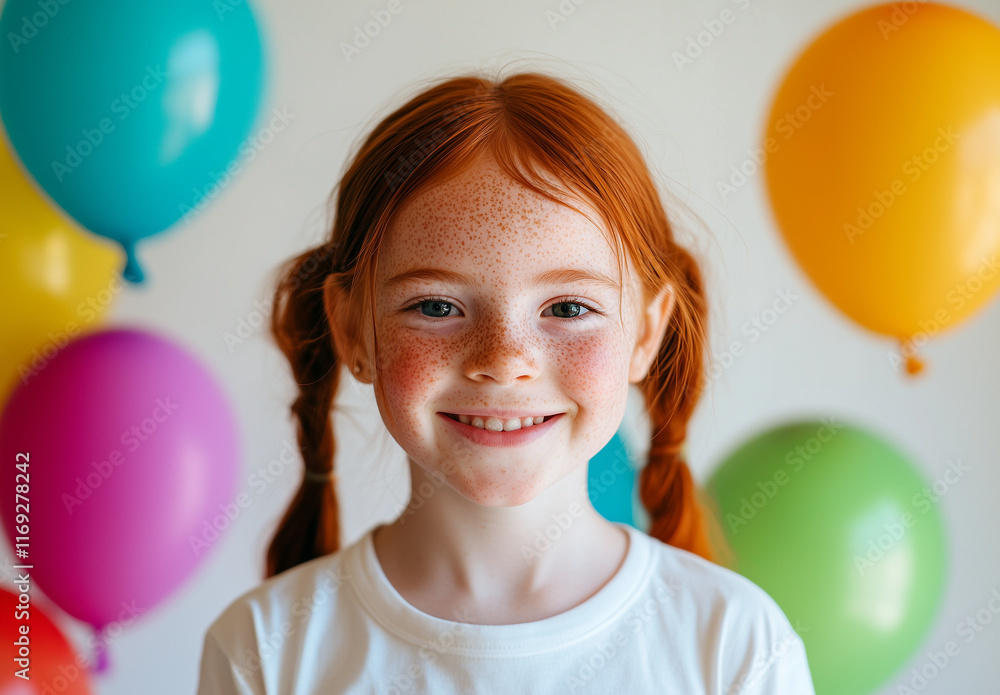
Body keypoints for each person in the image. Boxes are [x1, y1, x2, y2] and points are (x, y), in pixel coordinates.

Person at [196, 67, 816, 694]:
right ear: (353, 331)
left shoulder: (738, 645)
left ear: (646, 334)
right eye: (436, 306)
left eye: (568, 308)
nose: (504, 359)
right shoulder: (261, 651)